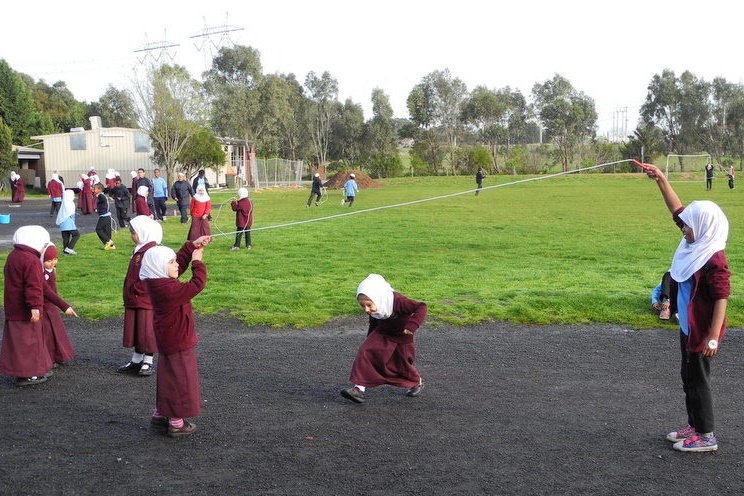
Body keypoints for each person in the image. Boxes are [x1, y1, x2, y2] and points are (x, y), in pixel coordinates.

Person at [645, 164, 731, 453]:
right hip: (688, 326)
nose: (682, 228)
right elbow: (678, 209)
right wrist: (661, 179)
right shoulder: (695, 245)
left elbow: (722, 298)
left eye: (687, 226)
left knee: (699, 380)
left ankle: (706, 436)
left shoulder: (713, 258)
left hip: (703, 332)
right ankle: (694, 426)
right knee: (688, 377)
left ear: (704, 227)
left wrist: (713, 335)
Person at [140, 242, 209, 437]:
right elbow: (197, 284)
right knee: (181, 380)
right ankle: (176, 422)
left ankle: (161, 414)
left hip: (171, 338)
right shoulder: (168, 290)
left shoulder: (159, 282)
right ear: (160, 267)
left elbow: (175, 267)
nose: (177, 264)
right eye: (171, 262)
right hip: (178, 339)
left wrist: (191, 247)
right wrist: (197, 263)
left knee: (169, 375)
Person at [340, 274, 428, 404]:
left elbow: (422, 307)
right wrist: (369, 338)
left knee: (402, 364)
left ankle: (417, 382)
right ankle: (358, 389)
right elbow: (374, 322)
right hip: (383, 332)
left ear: (378, 297)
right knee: (366, 352)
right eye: (362, 306)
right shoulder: (375, 309)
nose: (367, 309)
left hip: (402, 335)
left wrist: (412, 325)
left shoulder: (397, 301)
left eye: (369, 305)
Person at [0, 225, 53, 386]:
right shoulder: (31, 260)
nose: (44, 250)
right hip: (26, 310)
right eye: (44, 245)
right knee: (29, 342)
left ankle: (24, 370)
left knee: (18, 342)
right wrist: (35, 306)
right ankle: (29, 374)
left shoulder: (13, 256)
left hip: (13, 308)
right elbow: (33, 286)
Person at [41, 244, 77, 366]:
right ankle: (50, 357)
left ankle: (59, 355)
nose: (52, 263)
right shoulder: (41, 273)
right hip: (44, 307)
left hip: (52, 305)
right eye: (48, 260)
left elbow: (53, 290)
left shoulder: (51, 271)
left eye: (55, 259)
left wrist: (57, 301)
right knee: (48, 334)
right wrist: (63, 305)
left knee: (57, 332)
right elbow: (47, 291)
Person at [56, 190, 80, 255]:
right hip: (69, 223)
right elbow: (72, 215)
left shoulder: (63, 203)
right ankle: (69, 248)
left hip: (62, 223)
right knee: (76, 235)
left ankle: (65, 252)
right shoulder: (71, 204)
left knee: (66, 238)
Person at [94, 183, 116, 251]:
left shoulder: (101, 196)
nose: (94, 190)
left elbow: (103, 200)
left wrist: (98, 198)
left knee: (98, 229)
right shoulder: (103, 196)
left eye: (95, 189)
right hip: (108, 216)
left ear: (99, 189)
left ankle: (108, 241)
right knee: (107, 232)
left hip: (104, 216)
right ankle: (111, 246)